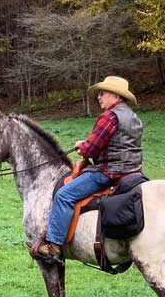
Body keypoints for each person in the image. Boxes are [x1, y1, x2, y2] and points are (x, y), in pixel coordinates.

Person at [33, 76, 143, 263]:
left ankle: (54, 245)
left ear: (115, 96)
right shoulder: (134, 117)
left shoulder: (109, 116)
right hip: (134, 173)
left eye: (103, 93)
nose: (99, 97)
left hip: (109, 173)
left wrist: (82, 146)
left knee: (64, 195)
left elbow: (92, 149)